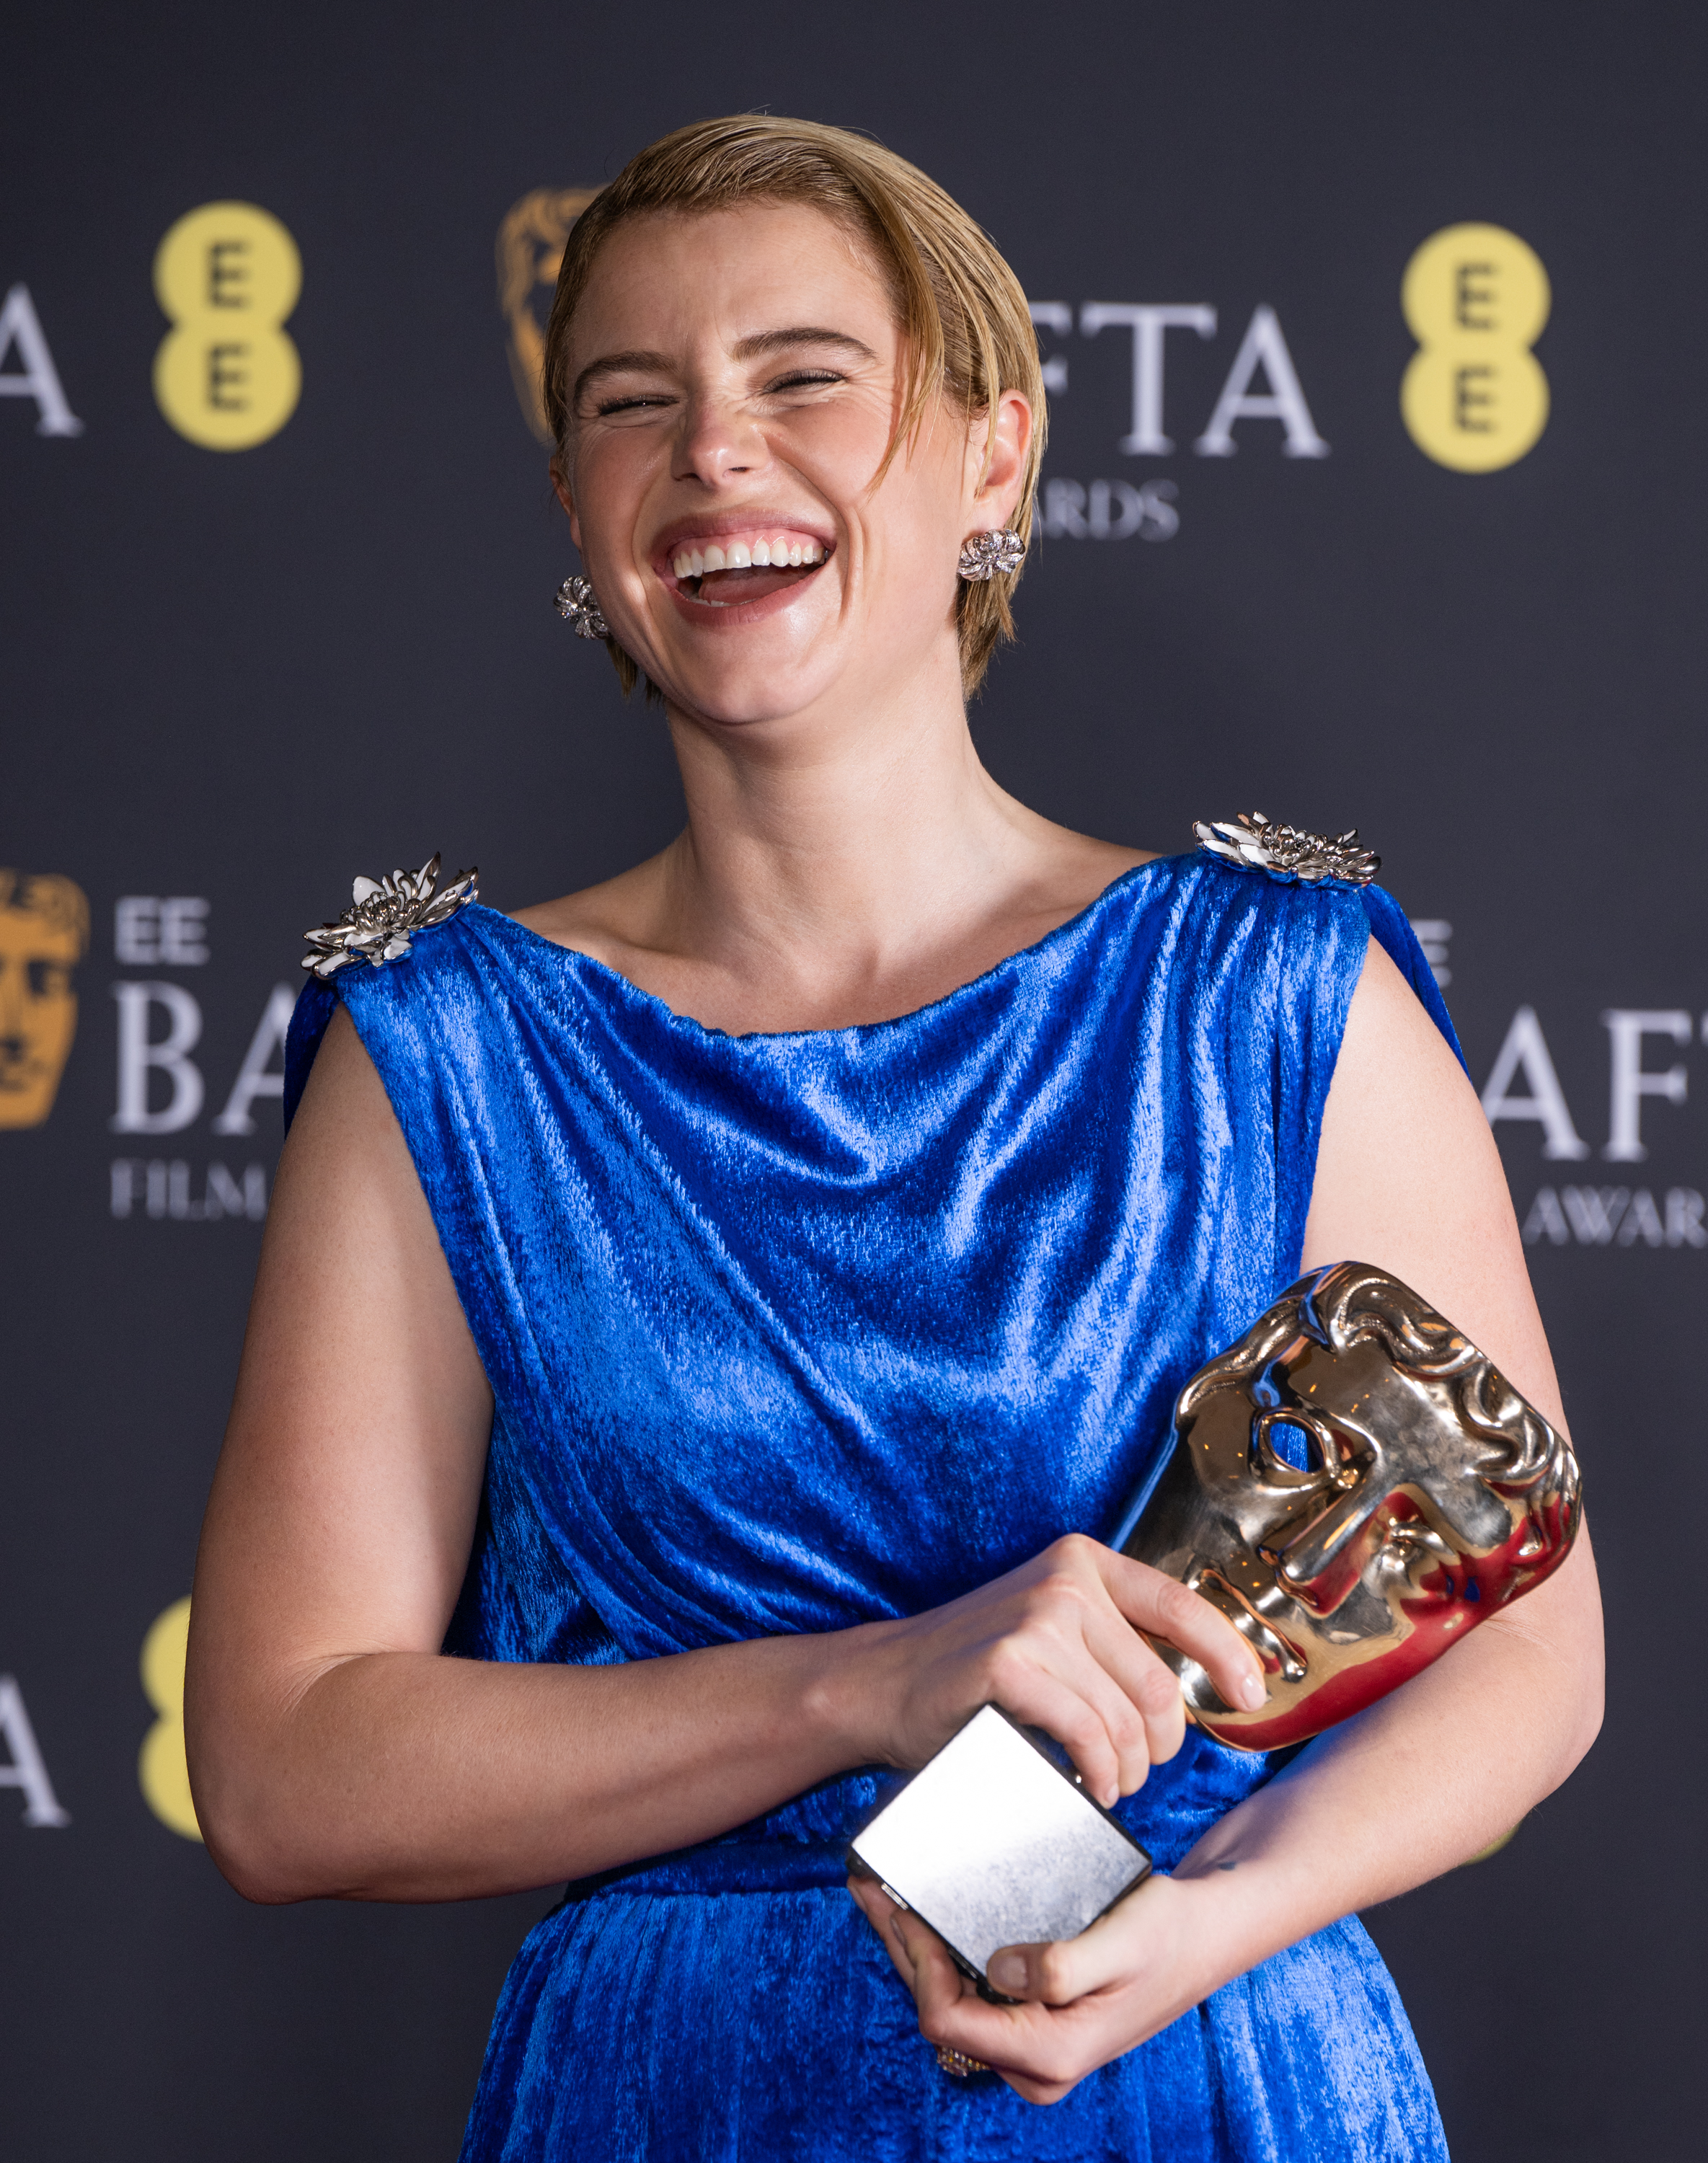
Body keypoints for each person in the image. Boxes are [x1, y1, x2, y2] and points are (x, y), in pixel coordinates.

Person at [185, 115, 1603, 2161]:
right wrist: (875, 1684)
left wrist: (1208, 1925)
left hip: (1191, 2062)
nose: (712, 455)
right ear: (577, 506)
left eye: (801, 378)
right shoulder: (444, 1058)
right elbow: (286, 1768)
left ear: (993, 458)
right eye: (627, 403)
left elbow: (1526, 1637)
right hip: (674, 2102)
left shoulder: (1272, 996)